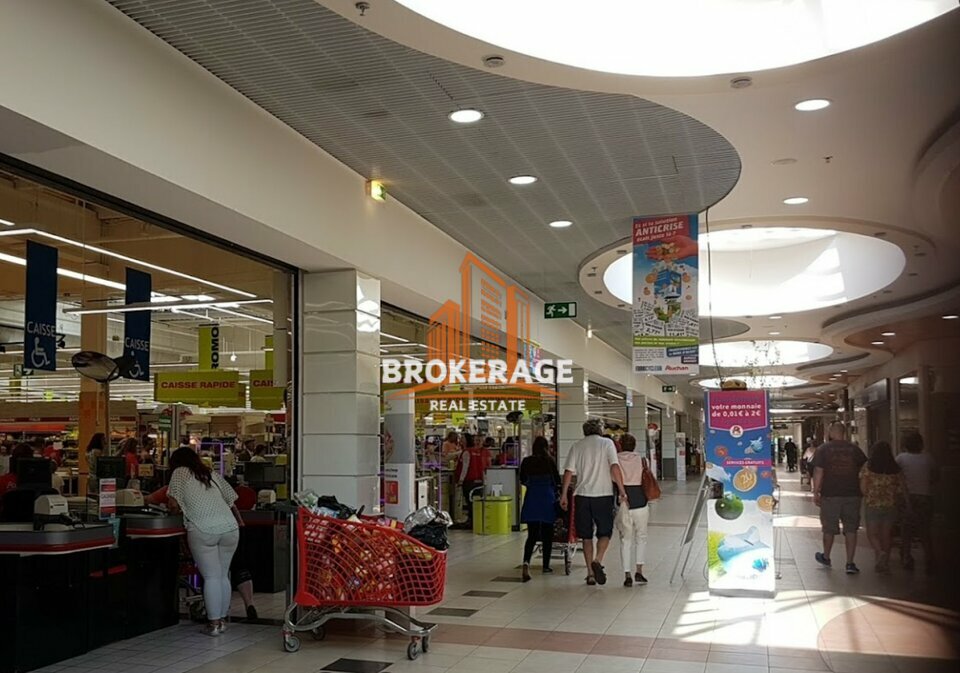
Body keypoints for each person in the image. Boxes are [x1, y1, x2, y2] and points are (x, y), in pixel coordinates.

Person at [166, 446, 243, 636]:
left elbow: (173, 504)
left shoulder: (179, 473)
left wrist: (175, 509)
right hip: (230, 528)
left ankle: (213, 624)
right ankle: (222, 620)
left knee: (211, 577)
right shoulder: (210, 473)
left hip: (203, 528)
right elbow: (231, 499)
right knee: (222, 575)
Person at [560, 418, 628, 586]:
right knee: (605, 533)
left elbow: (568, 471)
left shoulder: (577, 446)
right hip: (603, 495)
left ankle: (590, 574)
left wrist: (564, 495)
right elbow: (614, 467)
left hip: (582, 496)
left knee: (586, 536)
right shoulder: (607, 443)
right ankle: (597, 560)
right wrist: (621, 490)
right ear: (600, 430)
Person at [812, 422, 866, 574]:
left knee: (829, 528)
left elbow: (818, 471)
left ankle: (826, 556)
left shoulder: (823, 449)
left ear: (830, 433)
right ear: (844, 432)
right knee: (851, 528)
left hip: (830, 494)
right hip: (852, 494)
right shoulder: (855, 449)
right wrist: (861, 487)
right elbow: (864, 470)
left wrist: (816, 492)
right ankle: (850, 563)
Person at [519, 436, 560, 581]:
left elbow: (522, 479)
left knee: (532, 535)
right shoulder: (549, 461)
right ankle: (546, 565)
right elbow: (557, 481)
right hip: (547, 498)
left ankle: (526, 562)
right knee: (548, 534)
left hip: (532, 497)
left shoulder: (527, 461)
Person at [859, 441, 904, 573]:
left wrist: (868, 495)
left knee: (872, 534)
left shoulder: (868, 467)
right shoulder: (895, 468)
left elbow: (863, 487)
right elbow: (900, 488)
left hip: (873, 504)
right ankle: (884, 564)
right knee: (886, 535)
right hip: (890, 505)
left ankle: (880, 552)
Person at [896, 431, 937, 572]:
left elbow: (897, 477)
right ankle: (929, 559)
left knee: (906, 530)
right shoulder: (928, 458)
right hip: (925, 496)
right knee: (924, 530)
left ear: (905, 444)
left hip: (906, 497)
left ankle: (906, 558)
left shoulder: (901, 458)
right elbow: (935, 476)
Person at [615, 433, 650, 587]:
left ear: (620, 445)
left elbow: (612, 478)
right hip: (641, 500)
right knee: (641, 537)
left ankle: (627, 574)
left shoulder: (615, 459)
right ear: (634, 445)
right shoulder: (642, 460)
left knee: (625, 540)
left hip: (624, 501)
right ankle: (639, 571)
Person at [456, 433, 489, 526]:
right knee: (476, 501)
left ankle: (471, 520)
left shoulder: (467, 452)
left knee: (470, 501)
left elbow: (465, 467)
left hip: (469, 480)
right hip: (480, 480)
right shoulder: (485, 452)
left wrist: (461, 480)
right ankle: (476, 520)